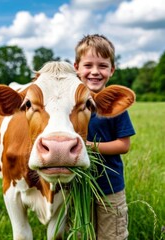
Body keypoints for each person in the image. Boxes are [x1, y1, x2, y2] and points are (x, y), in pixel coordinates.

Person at [74, 34, 136, 240]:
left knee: (112, 236)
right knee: (82, 233)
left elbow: (123, 145)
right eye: (88, 65)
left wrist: (88, 146)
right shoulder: (69, 105)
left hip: (110, 187)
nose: (94, 71)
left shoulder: (115, 105)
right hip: (77, 186)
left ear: (111, 70)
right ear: (76, 67)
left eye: (102, 65)